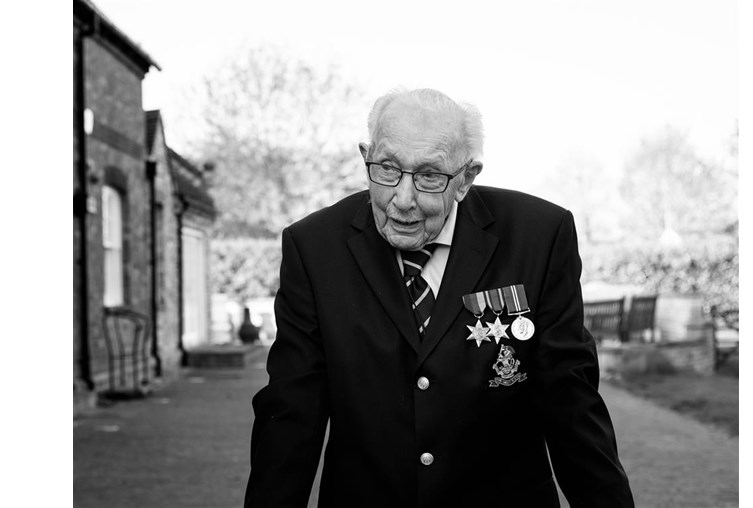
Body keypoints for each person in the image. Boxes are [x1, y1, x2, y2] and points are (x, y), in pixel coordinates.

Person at [246, 88, 634, 507]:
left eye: (430, 176)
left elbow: (570, 400)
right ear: (366, 157)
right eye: (387, 168)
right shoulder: (313, 246)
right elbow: (291, 413)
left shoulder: (539, 236)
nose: (403, 199)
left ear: (466, 178)